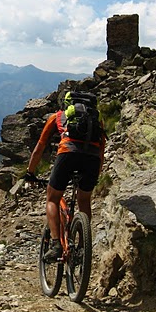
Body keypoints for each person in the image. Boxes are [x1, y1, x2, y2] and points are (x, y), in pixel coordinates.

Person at [24, 91, 106, 262]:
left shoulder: (58, 117)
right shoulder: (97, 121)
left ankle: (55, 245)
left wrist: (30, 173)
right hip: (91, 160)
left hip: (67, 154)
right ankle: (83, 248)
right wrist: (95, 174)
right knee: (84, 200)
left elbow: (39, 147)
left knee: (52, 199)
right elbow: (101, 152)